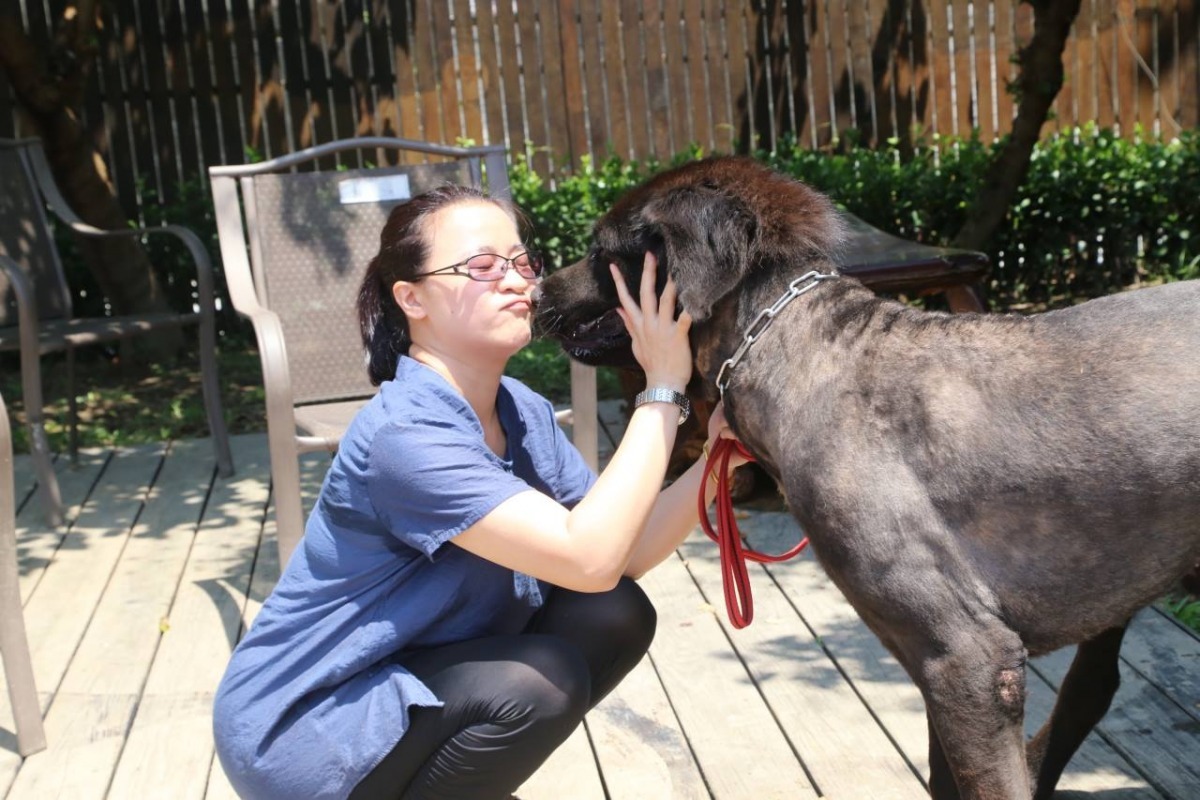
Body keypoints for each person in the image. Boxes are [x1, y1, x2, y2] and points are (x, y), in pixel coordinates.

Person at [212, 184, 745, 800]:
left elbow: (618, 559)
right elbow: (588, 557)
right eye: (482, 266)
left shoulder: (520, 410)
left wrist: (715, 459)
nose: (518, 281)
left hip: (409, 675)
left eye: (522, 263)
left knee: (616, 613)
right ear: (411, 298)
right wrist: (662, 386)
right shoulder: (405, 435)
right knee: (539, 682)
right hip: (306, 719)